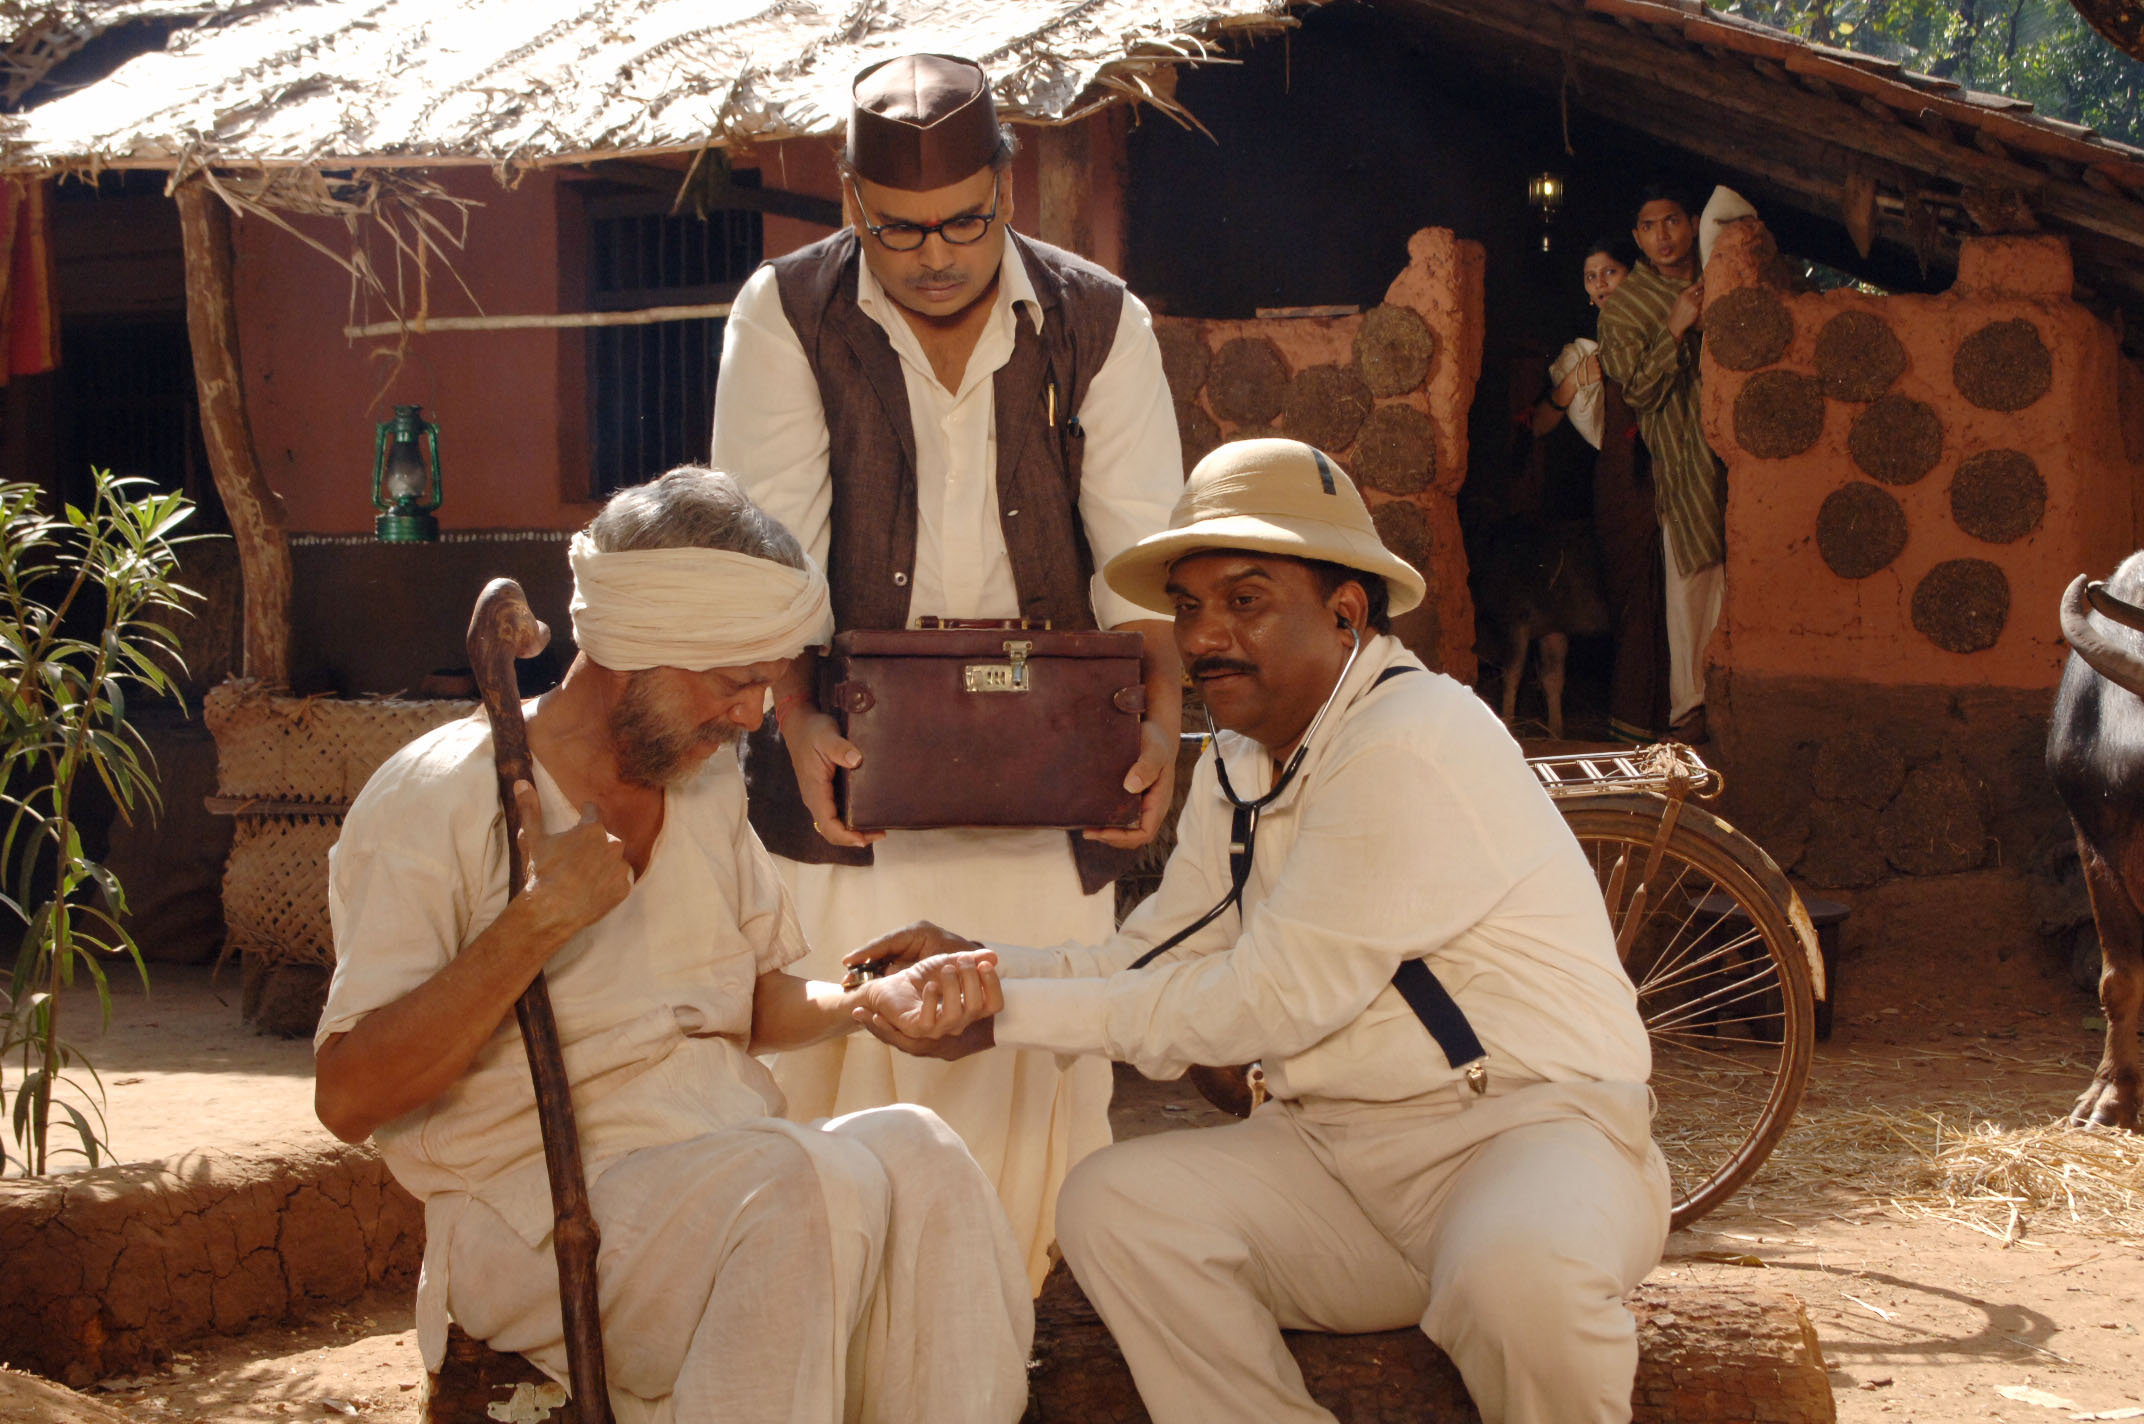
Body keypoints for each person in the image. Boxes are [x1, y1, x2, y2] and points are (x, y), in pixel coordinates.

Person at [855, 439, 1673, 1424]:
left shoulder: (1410, 737)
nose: (1204, 637)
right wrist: (978, 963)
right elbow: (1153, 954)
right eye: (1190, 605)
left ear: (1343, 614)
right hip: (1337, 1159)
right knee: (1116, 1204)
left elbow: (1265, 997)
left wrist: (999, 1014)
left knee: (1519, 1280)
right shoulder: (1244, 758)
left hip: (1525, 1139)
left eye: (1244, 600)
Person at [312, 468, 1033, 1424]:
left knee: (921, 1150)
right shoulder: (439, 796)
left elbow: (748, 1004)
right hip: (527, 1215)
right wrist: (536, 922)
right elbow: (350, 1096)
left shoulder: (702, 788)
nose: (750, 717)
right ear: (639, 646)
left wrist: (866, 1005)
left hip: (722, 1167)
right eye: (737, 683)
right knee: (796, 1185)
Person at [709, 52, 1184, 1288]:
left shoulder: (1097, 318)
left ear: (1007, 193)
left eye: (963, 222)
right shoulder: (785, 312)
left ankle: (1023, 1335)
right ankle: (837, 1330)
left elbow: (1144, 552)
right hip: (854, 778)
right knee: (831, 1076)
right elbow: (769, 544)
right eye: (900, 227)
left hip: (1050, 779)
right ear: (850, 197)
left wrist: (1165, 719)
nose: (934, 253)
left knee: (1030, 1075)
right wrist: (793, 714)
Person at [1597, 183, 1727, 743]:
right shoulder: (1625, 309)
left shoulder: (1720, 279)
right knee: (1690, 580)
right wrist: (1675, 327)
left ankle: (1722, 696)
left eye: (1671, 222)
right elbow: (1641, 393)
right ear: (1636, 237)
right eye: (1649, 228)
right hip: (1682, 457)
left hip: (1733, 452)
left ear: (1692, 222)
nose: (1662, 237)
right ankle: (1689, 711)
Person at [1531, 236, 1670, 743]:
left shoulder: (1648, 330)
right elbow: (1540, 425)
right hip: (1584, 488)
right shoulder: (1578, 348)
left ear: (1630, 275)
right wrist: (1573, 384)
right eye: (1592, 277)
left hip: (1637, 480)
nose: (1601, 284)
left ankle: (1636, 708)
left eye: (1609, 272)